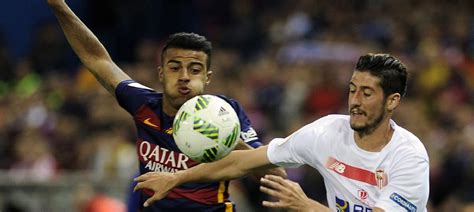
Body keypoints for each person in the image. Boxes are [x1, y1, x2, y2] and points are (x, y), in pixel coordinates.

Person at [46, 0, 285, 211]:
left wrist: (229, 140)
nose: (184, 76)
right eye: (174, 67)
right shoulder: (144, 103)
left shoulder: (226, 114)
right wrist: (59, 5)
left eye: (194, 69)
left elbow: (276, 176)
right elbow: (97, 58)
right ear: (161, 73)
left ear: (207, 78)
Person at [134, 53, 430, 212]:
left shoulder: (409, 157)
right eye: (352, 90)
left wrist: (307, 208)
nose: (355, 101)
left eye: (367, 93)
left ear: (392, 101)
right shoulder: (326, 132)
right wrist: (177, 178)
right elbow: (241, 161)